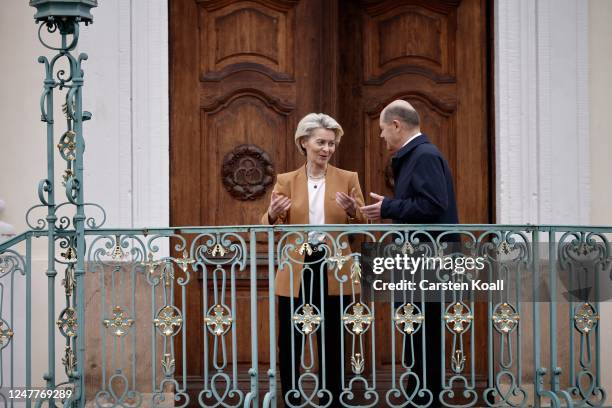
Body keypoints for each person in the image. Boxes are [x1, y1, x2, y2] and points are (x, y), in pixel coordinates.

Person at [261, 113, 366, 407]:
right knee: (291, 337)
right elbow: (268, 224)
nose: (327, 149)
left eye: (331, 144)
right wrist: (271, 213)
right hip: (298, 266)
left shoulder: (347, 178)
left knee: (333, 337)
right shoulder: (286, 181)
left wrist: (352, 211)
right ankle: (292, 398)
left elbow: (362, 223)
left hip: (335, 266)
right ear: (304, 142)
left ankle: (330, 399)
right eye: (321, 142)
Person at [360, 99, 459, 406]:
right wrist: (390, 206)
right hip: (419, 260)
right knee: (415, 330)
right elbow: (423, 204)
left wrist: (388, 207)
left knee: (423, 334)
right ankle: (420, 395)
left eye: (381, 129)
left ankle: (425, 398)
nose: (381, 137)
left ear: (396, 125)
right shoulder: (416, 154)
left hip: (427, 262)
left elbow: (434, 204)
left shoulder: (424, 155)